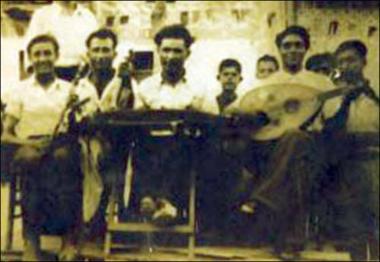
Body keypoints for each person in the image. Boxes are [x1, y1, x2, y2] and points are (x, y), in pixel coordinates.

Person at [235, 25, 336, 258]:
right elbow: (244, 109)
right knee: (293, 157)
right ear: (279, 50)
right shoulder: (267, 82)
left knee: (297, 140)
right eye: (287, 45)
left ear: (306, 49)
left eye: (298, 45)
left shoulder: (320, 83)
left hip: (312, 145)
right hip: (271, 147)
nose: (292, 50)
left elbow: (332, 118)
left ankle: (260, 198)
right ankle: (291, 242)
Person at [1, 35, 82, 261]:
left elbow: (77, 127)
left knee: (64, 160)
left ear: (56, 57)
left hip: (60, 145)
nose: (43, 58)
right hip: (30, 145)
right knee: (31, 161)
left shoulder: (69, 90)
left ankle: (68, 240)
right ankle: (32, 241)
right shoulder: (20, 91)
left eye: (47, 53)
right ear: (30, 59)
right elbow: (5, 135)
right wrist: (30, 143)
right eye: (37, 54)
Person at [131, 24, 217, 226]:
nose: (171, 56)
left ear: (187, 53)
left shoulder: (200, 86)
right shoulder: (145, 87)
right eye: (166, 50)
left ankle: (157, 199)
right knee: (141, 140)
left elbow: (213, 120)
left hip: (187, 148)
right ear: (158, 51)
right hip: (149, 147)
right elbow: (134, 120)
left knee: (179, 140)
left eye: (177, 50)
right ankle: (158, 202)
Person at [321, 40, 379, 260]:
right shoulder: (330, 98)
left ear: (363, 62)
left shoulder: (375, 94)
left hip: (374, 161)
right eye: (341, 61)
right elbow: (329, 130)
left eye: (351, 60)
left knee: (376, 219)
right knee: (353, 224)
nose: (346, 65)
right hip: (346, 164)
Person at [75, 28, 135, 240]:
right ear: (88, 53)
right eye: (96, 50)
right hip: (84, 143)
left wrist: (127, 82)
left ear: (114, 53)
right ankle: (84, 220)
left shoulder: (123, 81)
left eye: (105, 50)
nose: (100, 55)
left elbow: (127, 113)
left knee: (112, 160)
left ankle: (100, 217)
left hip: (115, 143)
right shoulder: (79, 84)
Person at [25, 1, 98, 81]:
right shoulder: (42, 16)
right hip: (52, 75)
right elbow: (30, 52)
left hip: (84, 75)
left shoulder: (88, 17)